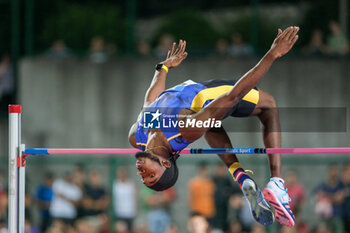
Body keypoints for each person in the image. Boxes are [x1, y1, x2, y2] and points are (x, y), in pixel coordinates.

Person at [128, 26, 300, 226]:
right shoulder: (184, 128)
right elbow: (233, 96)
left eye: (144, 178)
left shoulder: (137, 136)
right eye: (151, 175)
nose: (142, 173)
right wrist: (272, 54)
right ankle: (277, 182)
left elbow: (150, 101)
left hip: (202, 116)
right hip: (212, 96)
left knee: (208, 124)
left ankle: (240, 176)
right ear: (165, 163)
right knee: (268, 105)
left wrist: (162, 68)